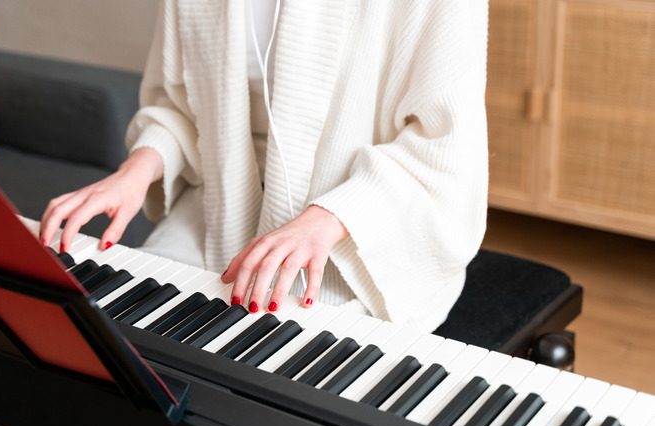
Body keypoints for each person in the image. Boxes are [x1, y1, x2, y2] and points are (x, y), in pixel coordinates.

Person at [40, 0, 489, 333]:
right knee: (114, 338)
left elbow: (447, 151)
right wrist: (134, 172)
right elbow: (180, 107)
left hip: (357, 236)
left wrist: (329, 218)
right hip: (221, 206)